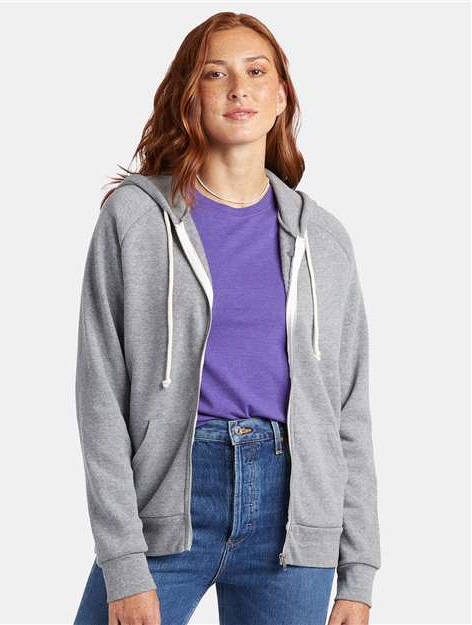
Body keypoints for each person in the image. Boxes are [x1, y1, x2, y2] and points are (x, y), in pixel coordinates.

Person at [73, 11, 381, 625]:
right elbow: (100, 396)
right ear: (190, 97)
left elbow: (348, 410)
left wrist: (359, 572)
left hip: (294, 517)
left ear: (281, 96)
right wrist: (124, 561)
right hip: (168, 502)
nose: (239, 88)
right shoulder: (135, 220)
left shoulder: (324, 239)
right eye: (216, 74)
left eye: (256, 72)